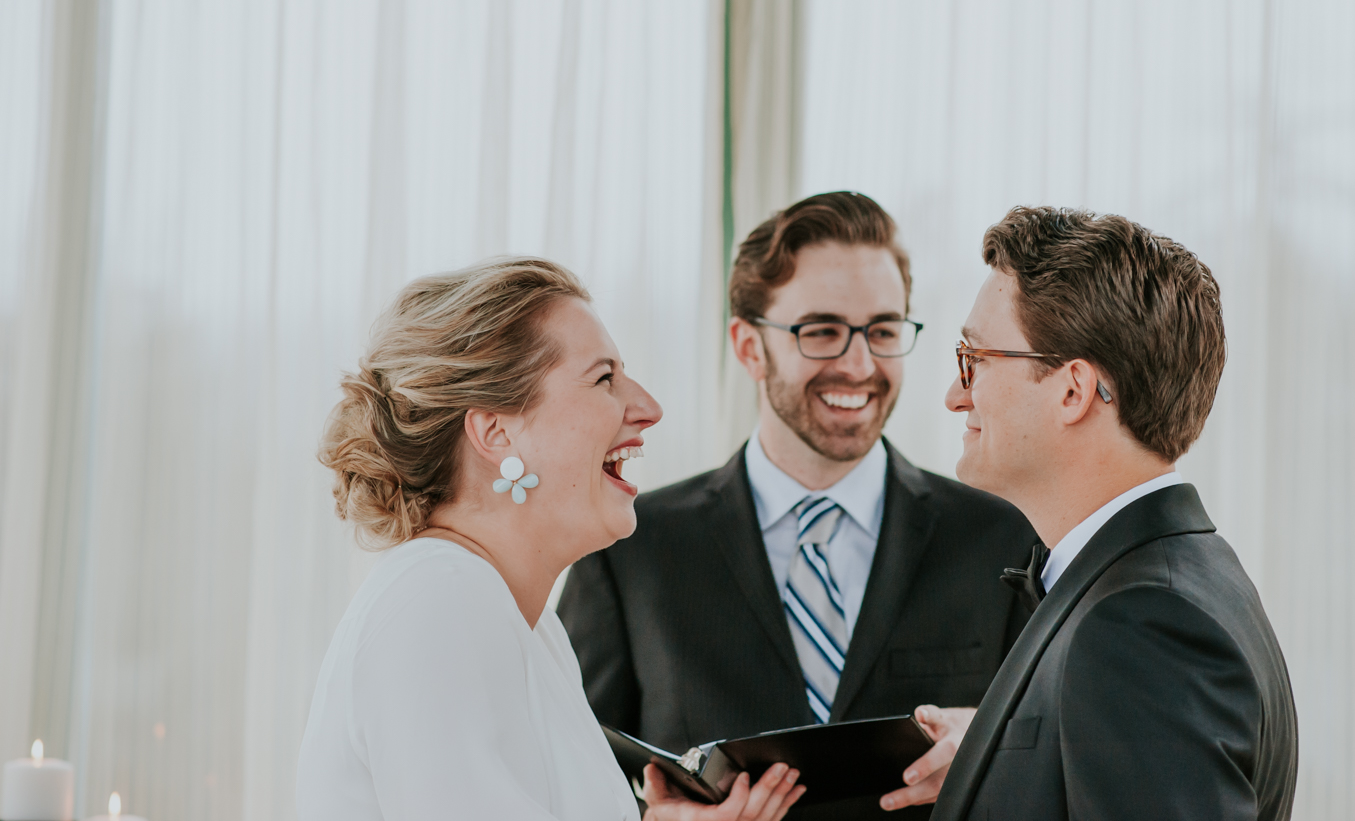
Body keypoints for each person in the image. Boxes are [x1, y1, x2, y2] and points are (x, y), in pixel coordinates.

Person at [560, 192, 1040, 814]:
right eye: (822, 332)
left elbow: (1063, 758)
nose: (860, 364)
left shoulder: (1003, 535)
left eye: (884, 330)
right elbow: (566, 774)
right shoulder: (627, 547)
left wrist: (992, 748)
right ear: (748, 345)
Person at [297, 258, 806, 821]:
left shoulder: (527, 626)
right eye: (604, 378)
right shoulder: (439, 601)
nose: (648, 408)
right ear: (496, 431)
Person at [928, 207, 1298, 821]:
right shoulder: (1172, 578)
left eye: (977, 358)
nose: (955, 393)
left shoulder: (1145, 624)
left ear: (1073, 390)